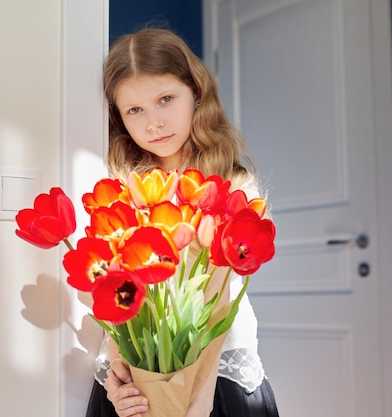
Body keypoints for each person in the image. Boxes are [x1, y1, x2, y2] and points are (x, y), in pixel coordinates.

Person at [85, 27, 280, 417]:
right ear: (119, 117)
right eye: (135, 110)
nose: (153, 123)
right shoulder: (120, 186)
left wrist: (201, 394)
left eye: (165, 99)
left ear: (196, 91)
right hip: (139, 377)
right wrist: (117, 373)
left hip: (216, 377)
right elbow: (111, 287)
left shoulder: (233, 184)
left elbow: (218, 300)